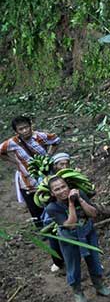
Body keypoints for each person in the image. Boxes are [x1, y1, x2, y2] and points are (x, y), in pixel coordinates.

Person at [1, 116, 64, 272]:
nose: (24, 131)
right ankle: (55, 256)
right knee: (38, 216)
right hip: (28, 184)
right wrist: (14, 162)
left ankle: (60, 242)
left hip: (46, 182)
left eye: (26, 127)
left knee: (52, 215)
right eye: (20, 129)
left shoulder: (40, 136)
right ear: (16, 131)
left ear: (31, 126)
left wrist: (49, 155)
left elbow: (55, 139)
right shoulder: (12, 143)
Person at [44, 176, 110, 302]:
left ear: (68, 186)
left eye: (63, 186)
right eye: (57, 189)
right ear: (52, 193)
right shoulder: (52, 208)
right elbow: (71, 224)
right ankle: (78, 292)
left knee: (94, 259)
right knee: (73, 264)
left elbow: (93, 214)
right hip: (69, 238)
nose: (62, 191)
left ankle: (99, 285)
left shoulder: (79, 193)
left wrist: (79, 199)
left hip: (87, 231)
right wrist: (70, 203)